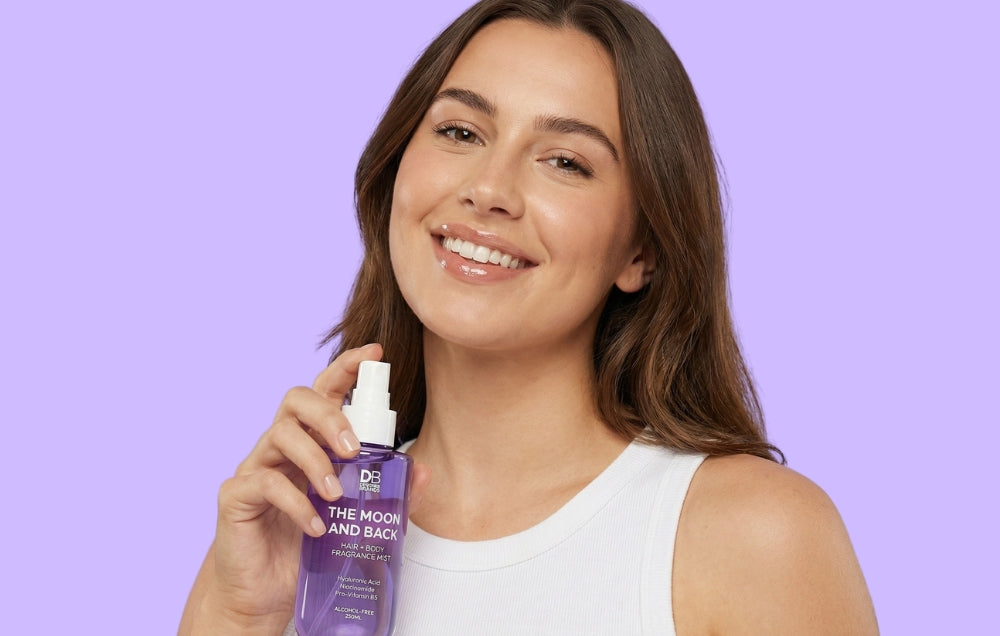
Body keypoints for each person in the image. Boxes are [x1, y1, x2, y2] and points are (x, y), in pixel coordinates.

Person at [180, 0, 878, 633]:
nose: (489, 188)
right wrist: (240, 618)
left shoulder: (751, 535)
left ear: (641, 250)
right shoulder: (299, 536)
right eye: (460, 130)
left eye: (565, 162)